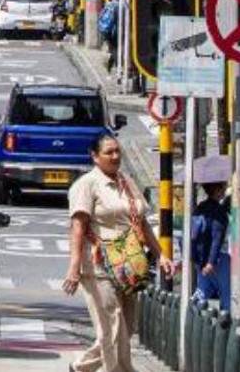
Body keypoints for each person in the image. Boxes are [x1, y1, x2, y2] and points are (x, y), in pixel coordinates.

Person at [63, 135, 174, 372]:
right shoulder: (86, 185)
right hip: (99, 267)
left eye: (117, 152)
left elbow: (141, 222)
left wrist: (161, 254)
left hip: (129, 266)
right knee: (112, 325)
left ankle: (81, 367)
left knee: (126, 326)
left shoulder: (127, 182)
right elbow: (78, 227)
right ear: (95, 156)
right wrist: (74, 269)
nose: (115, 157)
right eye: (109, 152)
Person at [190, 155, 231, 312]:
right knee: (227, 293)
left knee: (202, 291)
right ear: (218, 189)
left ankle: (191, 314)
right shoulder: (219, 212)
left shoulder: (201, 207)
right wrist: (211, 262)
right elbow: (217, 238)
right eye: (224, 186)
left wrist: (202, 262)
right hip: (218, 259)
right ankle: (228, 324)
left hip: (202, 259)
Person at [99, 0, 121, 70]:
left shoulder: (108, 4)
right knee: (115, 48)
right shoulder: (119, 5)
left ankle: (110, 65)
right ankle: (116, 66)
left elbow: (101, 15)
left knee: (112, 47)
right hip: (114, 30)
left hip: (106, 29)